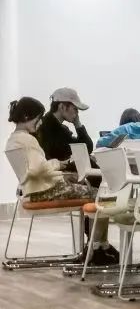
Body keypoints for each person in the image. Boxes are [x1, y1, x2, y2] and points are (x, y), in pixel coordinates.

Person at [6, 97, 117, 265]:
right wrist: (59, 165)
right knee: (101, 195)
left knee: (93, 192)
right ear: (27, 116)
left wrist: (61, 174)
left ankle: (97, 246)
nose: (40, 123)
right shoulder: (27, 140)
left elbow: (33, 172)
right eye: (38, 118)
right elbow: (37, 169)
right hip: (45, 191)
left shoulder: (13, 139)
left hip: (33, 190)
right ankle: (98, 247)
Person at [37, 88, 95, 163]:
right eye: (75, 109)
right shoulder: (43, 128)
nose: (77, 114)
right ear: (62, 107)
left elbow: (86, 148)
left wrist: (77, 124)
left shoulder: (60, 129)